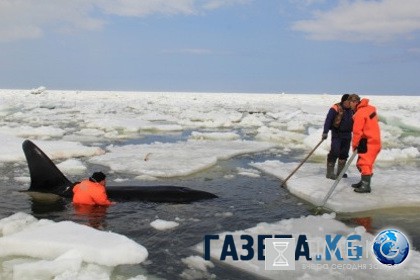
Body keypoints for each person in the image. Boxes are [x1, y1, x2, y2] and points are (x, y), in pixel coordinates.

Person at [347, 94, 381, 193]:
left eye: (350, 104)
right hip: (375, 141)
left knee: (363, 163)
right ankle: (363, 181)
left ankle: (366, 186)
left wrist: (354, 146)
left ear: (354, 102)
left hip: (368, 142)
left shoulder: (359, 114)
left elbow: (357, 132)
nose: (350, 106)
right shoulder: (370, 109)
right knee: (366, 163)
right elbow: (374, 120)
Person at [322, 94, 354, 180]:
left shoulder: (352, 110)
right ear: (344, 101)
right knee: (334, 152)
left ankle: (340, 172)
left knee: (344, 154)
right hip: (337, 134)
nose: (350, 103)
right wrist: (325, 132)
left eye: (351, 101)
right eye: (348, 101)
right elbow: (329, 119)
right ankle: (330, 173)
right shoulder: (335, 108)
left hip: (347, 134)